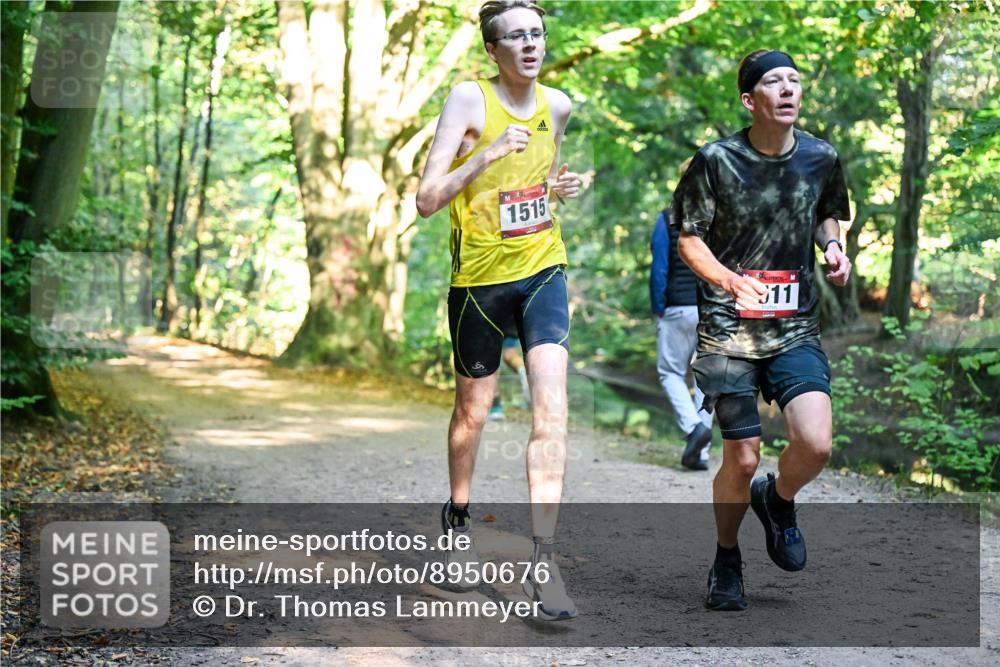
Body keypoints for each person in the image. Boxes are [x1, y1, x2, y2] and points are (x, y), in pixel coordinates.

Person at [415, 0, 584, 620]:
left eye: (537, 33)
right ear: (493, 50)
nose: (530, 44)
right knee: (473, 413)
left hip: (543, 269)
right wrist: (484, 155)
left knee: (552, 411)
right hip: (479, 283)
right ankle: (458, 518)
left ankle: (545, 563)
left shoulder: (558, 105)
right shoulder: (469, 100)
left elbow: (543, 179)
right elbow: (427, 200)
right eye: (515, 37)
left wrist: (561, 187)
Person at [673, 49, 852, 611]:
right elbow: (688, 238)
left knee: (816, 443)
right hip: (728, 330)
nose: (787, 88)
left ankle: (777, 501)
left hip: (794, 325)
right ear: (751, 100)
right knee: (742, 455)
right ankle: (727, 557)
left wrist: (834, 247)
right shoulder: (716, 160)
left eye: (794, 80)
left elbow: (830, 211)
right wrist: (729, 281)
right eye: (774, 81)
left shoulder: (821, 157)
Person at [649, 158, 714, 470]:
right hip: (713, 307)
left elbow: (660, 269)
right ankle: (700, 454)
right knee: (706, 380)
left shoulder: (667, 217)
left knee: (670, 372)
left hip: (677, 307)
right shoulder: (722, 216)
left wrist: (657, 309)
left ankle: (693, 429)